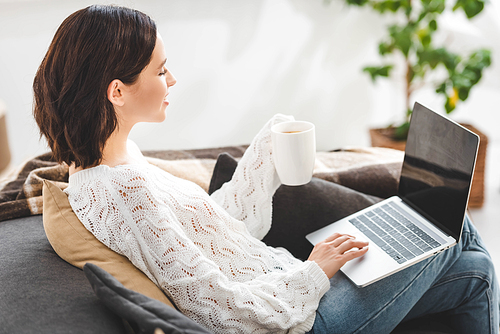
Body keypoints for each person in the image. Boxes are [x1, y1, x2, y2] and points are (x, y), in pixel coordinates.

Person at [33, 5, 499, 334]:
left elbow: (218, 230)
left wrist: (267, 149)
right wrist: (314, 274)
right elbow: (215, 307)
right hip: (294, 319)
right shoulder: (122, 189)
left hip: (284, 284)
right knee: (445, 226)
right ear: (117, 91)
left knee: (476, 271)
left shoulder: (114, 163)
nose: (171, 80)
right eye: (160, 71)